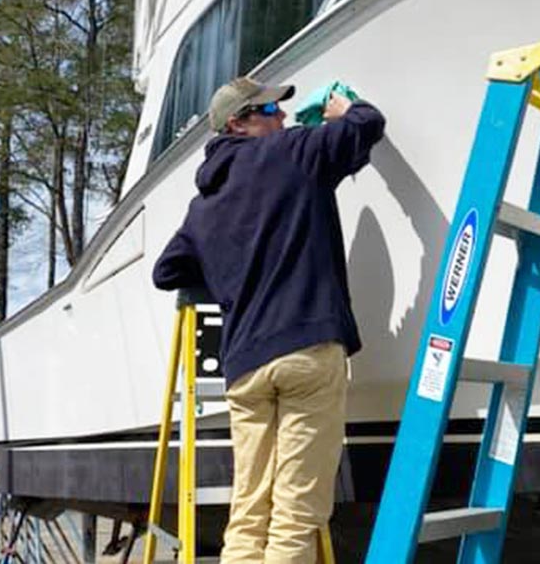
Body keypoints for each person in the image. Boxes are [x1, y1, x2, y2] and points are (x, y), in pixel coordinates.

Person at [152, 75, 385, 563]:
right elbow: (367, 124)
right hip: (306, 350)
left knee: (249, 510)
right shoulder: (293, 152)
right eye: (271, 112)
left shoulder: (202, 207)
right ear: (238, 123)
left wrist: (231, 269)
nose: (284, 118)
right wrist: (345, 106)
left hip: (245, 368)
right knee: (296, 516)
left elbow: (166, 271)